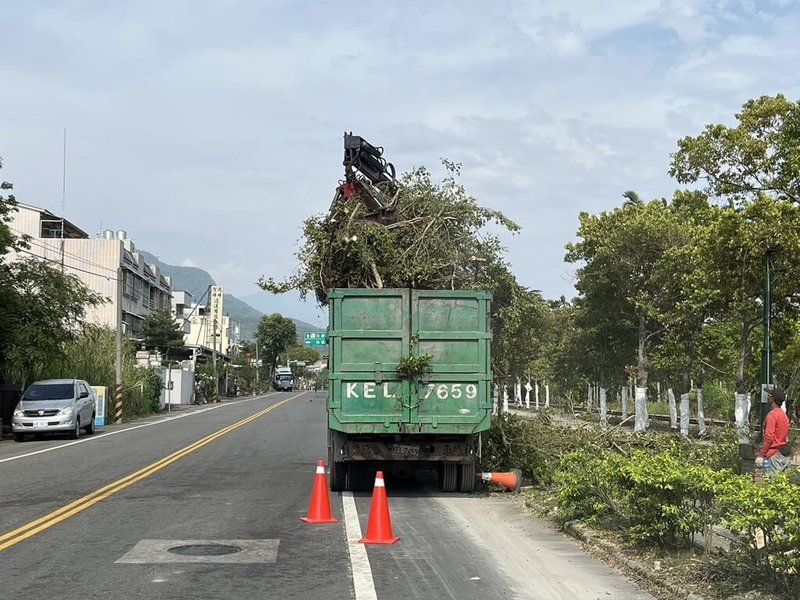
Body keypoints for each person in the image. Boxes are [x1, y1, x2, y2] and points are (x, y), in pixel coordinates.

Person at [755, 386, 792, 476]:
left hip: (773, 456)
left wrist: (761, 455)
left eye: (769, 395)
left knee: (770, 485)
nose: (767, 397)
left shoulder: (772, 415)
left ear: (772, 399)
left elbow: (769, 437)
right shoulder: (784, 416)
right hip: (783, 455)